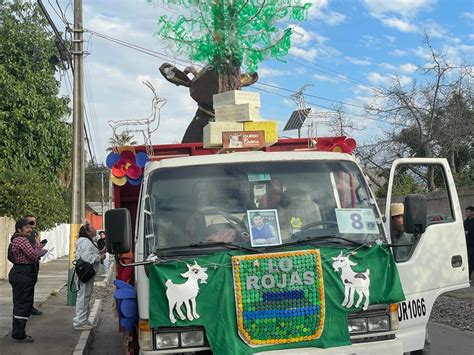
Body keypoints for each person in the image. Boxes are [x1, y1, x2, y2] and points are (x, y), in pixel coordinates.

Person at [9, 218, 45, 343]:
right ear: (19, 229)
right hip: (23, 273)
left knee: (21, 303)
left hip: (22, 273)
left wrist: (37, 247)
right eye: (27, 227)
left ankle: (18, 332)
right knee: (23, 304)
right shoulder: (22, 240)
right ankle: (18, 335)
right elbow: (34, 255)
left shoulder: (19, 239)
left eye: (31, 227)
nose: (30, 230)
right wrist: (38, 245)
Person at [73, 222, 105, 330]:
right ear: (87, 231)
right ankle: (79, 322)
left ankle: (83, 320)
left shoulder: (87, 241)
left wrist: (102, 252)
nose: (95, 229)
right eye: (92, 228)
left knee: (85, 296)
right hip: (84, 272)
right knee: (83, 297)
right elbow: (87, 257)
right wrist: (99, 257)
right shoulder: (85, 242)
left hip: (87, 273)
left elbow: (91, 253)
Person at [24, 215, 43, 316]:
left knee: (31, 286)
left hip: (34, 263)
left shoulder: (34, 233)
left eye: (34, 222)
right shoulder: (23, 235)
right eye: (30, 222)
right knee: (25, 288)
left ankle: (30, 307)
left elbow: (37, 247)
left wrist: (39, 246)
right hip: (26, 264)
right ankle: (24, 309)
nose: (32, 224)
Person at [464, 206, 474, 282]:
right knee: (467, 260)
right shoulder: (465, 221)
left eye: (468, 211)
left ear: (472, 212)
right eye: (466, 211)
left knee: (471, 260)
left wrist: (468, 232)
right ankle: (468, 277)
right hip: (466, 244)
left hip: (472, 244)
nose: (466, 213)